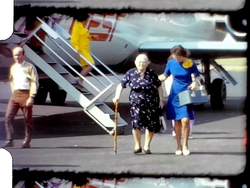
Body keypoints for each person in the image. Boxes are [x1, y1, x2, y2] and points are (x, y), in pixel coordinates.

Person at [112, 54, 164, 154]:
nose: (141, 64)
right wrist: (117, 96)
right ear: (136, 63)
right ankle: (137, 145)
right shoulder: (130, 73)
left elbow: (159, 86)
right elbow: (121, 85)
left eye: (143, 62)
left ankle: (147, 146)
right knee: (136, 124)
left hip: (151, 103)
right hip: (136, 103)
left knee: (151, 125)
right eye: (139, 62)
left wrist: (161, 99)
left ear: (147, 64)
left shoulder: (151, 73)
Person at [159, 45, 201, 156]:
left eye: (178, 56)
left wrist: (195, 82)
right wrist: (153, 79)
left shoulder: (190, 63)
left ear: (183, 55)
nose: (176, 58)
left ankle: (186, 145)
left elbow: (197, 75)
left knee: (185, 120)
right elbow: (165, 76)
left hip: (186, 94)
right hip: (174, 95)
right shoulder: (171, 63)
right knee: (177, 121)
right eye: (174, 56)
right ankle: (178, 145)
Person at [3, 46, 39, 148]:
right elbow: (11, 80)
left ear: (24, 55)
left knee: (27, 119)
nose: (17, 57)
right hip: (15, 95)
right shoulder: (13, 67)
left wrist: (31, 96)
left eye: (19, 54)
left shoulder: (30, 67)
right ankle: (9, 140)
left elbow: (34, 82)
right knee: (8, 118)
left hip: (26, 94)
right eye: (15, 55)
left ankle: (27, 141)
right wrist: (14, 91)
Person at [70, 13, 98, 91]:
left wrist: (91, 37)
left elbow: (84, 36)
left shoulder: (82, 27)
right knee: (91, 64)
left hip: (86, 50)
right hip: (81, 50)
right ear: (84, 20)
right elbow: (74, 40)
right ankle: (79, 81)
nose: (87, 21)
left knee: (85, 67)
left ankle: (80, 84)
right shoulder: (77, 27)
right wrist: (77, 49)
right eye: (87, 20)